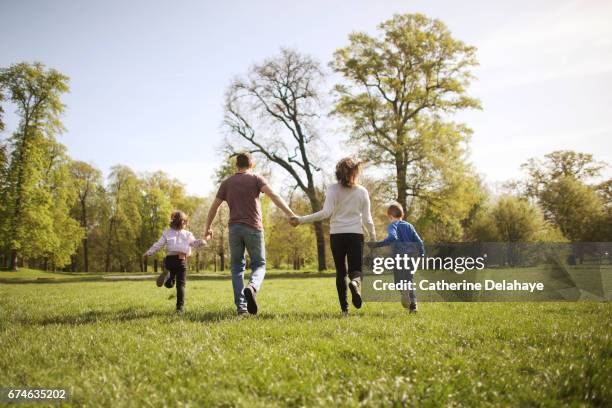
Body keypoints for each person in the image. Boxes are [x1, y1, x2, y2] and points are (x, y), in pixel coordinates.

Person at [204, 153, 296, 315]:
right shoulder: (256, 179)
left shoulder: (227, 183)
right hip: (253, 227)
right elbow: (273, 195)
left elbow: (214, 207)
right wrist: (290, 214)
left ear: (236, 165)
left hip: (234, 229)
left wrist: (208, 228)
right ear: (251, 164)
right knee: (259, 264)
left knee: (237, 268)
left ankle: (241, 308)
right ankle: (252, 287)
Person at [290, 157, 375, 315]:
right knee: (356, 270)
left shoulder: (333, 189)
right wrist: (373, 237)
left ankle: (345, 310)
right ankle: (355, 284)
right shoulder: (362, 191)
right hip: (355, 235)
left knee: (340, 272)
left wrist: (301, 220)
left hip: (337, 235)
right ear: (355, 173)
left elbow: (326, 213)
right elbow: (367, 219)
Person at [144, 211, 207, 314]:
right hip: (181, 260)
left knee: (169, 284)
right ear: (184, 222)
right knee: (181, 285)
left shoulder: (167, 233)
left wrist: (149, 252)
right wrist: (204, 241)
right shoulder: (187, 234)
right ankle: (179, 309)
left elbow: (158, 244)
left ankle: (167, 276)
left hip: (169, 260)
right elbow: (194, 243)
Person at [369, 202, 424, 313]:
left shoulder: (392, 225)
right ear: (402, 215)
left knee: (399, 282)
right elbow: (419, 242)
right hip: (411, 258)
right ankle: (413, 306)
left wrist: (377, 244)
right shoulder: (409, 226)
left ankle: (404, 291)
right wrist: (422, 254)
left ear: (390, 216)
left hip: (399, 258)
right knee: (409, 280)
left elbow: (392, 237)